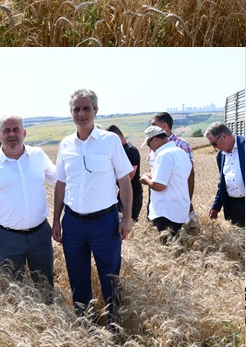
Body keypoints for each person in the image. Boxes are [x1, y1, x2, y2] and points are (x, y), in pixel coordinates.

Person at [52, 89, 133, 321]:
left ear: (96, 111)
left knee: (110, 277)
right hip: (73, 223)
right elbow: (60, 184)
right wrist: (56, 220)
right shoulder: (65, 144)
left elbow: (125, 180)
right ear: (71, 113)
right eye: (76, 109)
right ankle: (85, 322)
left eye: (86, 108)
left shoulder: (110, 141)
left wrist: (126, 218)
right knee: (77, 277)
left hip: (104, 223)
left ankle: (114, 323)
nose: (81, 113)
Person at [0, 115, 56, 290]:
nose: (12, 135)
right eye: (6, 131)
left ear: (24, 133)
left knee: (45, 286)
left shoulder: (38, 156)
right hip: (7, 239)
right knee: (12, 289)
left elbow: (59, 180)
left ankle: (47, 316)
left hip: (40, 234)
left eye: (16, 130)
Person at [139, 125, 193, 240]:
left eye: (149, 145)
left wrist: (145, 179)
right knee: (177, 246)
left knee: (167, 247)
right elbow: (176, 177)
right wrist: (153, 176)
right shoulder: (181, 152)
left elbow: (159, 186)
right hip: (179, 209)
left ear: (155, 140)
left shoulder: (164, 155)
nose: (150, 149)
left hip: (166, 212)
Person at [149, 112, 195, 214]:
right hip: (157, 200)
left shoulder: (181, 145)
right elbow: (152, 170)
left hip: (174, 203)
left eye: (153, 125)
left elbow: (190, 174)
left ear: (164, 126)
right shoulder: (153, 143)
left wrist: (188, 201)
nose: (151, 128)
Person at [205, 122, 245, 227]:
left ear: (223, 136)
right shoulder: (220, 156)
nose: (214, 148)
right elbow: (222, 184)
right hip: (234, 207)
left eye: (214, 143)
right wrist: (216, 207)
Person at [106, 125, 142, 223]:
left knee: (129, 223)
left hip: (133, 195)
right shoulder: (121, 149)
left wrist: (105, 178)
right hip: (122, 193)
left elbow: (129, 177)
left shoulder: (131, 151)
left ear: (117, 137)